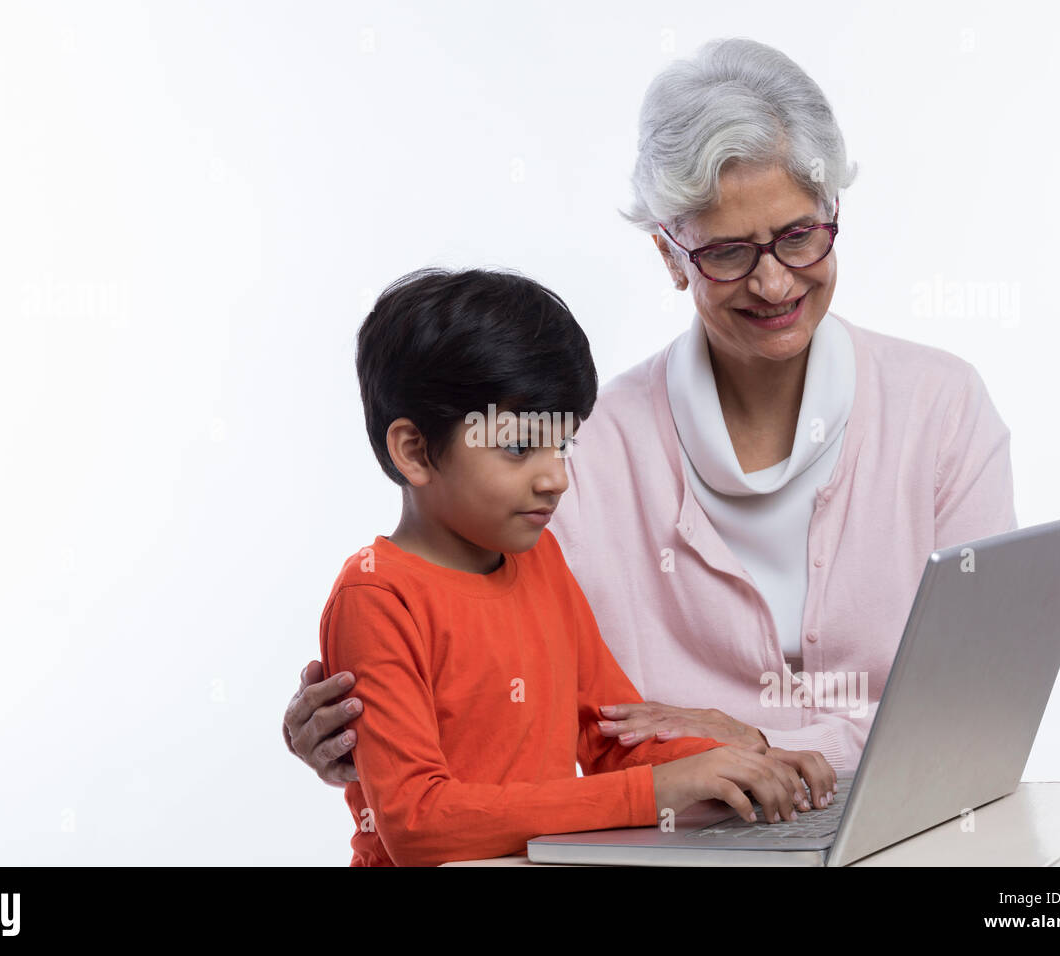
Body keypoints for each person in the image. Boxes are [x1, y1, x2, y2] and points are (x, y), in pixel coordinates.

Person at [286, 36, 1012, 809]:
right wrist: (370, 731)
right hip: (684, 844)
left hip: (921, 820)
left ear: (835, 210)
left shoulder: (942, 408)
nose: (773, 281)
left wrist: (760, 744)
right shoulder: (571, 454)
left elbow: (984, 701)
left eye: (799, 234)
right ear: (669, 254)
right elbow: (481, 663)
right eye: (728, 251)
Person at [319, 267, 828, 866]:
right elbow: (418, 824)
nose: (555, 477)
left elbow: (615, 738)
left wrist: (738, 765)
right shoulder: (377, 595)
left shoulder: (540, 561)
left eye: (563, 445)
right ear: (415, 451)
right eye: (518, 447)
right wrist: (654, 792)